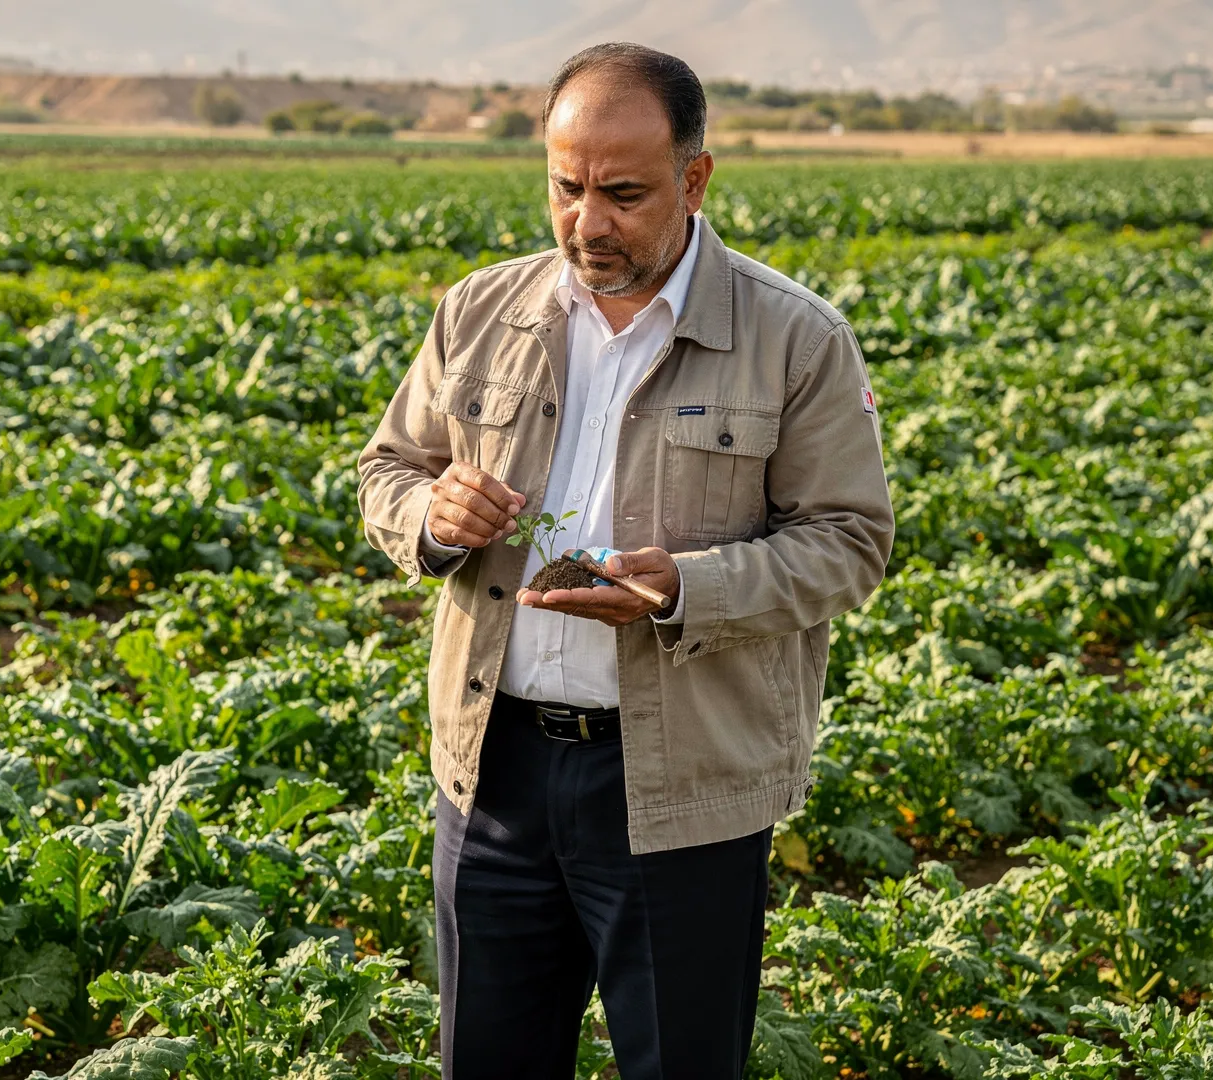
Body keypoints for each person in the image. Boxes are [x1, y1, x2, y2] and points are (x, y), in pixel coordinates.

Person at [356, 41, 894, 1080]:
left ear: (694, 180)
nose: (587, 223)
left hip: (681, 780)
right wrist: (434, 514)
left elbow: (849, 544)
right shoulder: (482, 313)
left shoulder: (796, 340)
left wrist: (686, 588)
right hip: (494, 774)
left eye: (623, 193)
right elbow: (387, 468)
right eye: (566, 188)